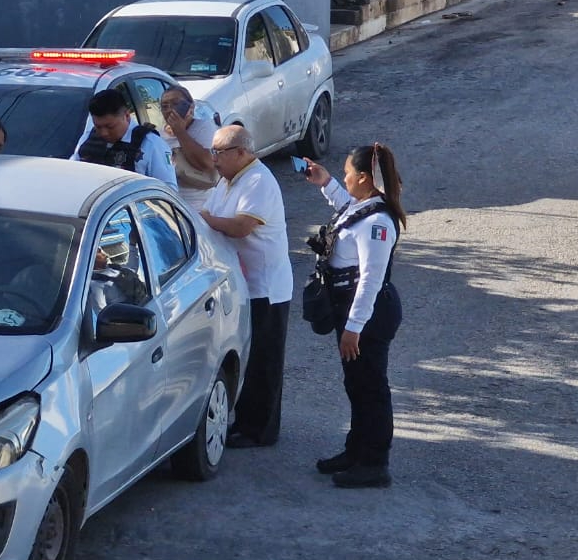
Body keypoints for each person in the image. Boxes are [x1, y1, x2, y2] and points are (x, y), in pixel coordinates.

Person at [303, 143, 406, 488]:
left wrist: (354, 328)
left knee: (371, 388)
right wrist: (326, 182)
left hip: (368, 316)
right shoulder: (365, 207)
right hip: (350, 310)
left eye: (347, 172)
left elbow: (371, 281)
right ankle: (356, 449)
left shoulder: (378, 222)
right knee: (356, 385)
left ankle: (375, 463)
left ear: (364, 177)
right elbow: (347, 211)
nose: (344, 177)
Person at [199, 126, 292, 448]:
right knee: (247, 354)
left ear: (241, 152)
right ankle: (245, 421)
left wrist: (206, 221)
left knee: (265, 358)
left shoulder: (258, 181)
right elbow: (207, 212)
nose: (213, 159)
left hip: (266, 286)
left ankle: (261, 429)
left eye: (219, 153)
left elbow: (240, 227)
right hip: (240, 283)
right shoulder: (227, 181)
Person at [70, 89, 178, 190]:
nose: (103, 133)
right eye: (98, 127)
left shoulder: (151, 144)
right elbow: (72, 175)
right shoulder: (87, 139)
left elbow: (168, 190)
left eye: (110, 127)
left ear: (126, 115)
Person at [160, 86, 218, 210]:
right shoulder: (159, 136)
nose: (170, 109)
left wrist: (180, 131)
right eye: (165, 106)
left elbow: (207, 163)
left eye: (176, 104)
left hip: (201, 205)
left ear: (190, 107)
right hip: (172, 205)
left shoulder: (204, 127)